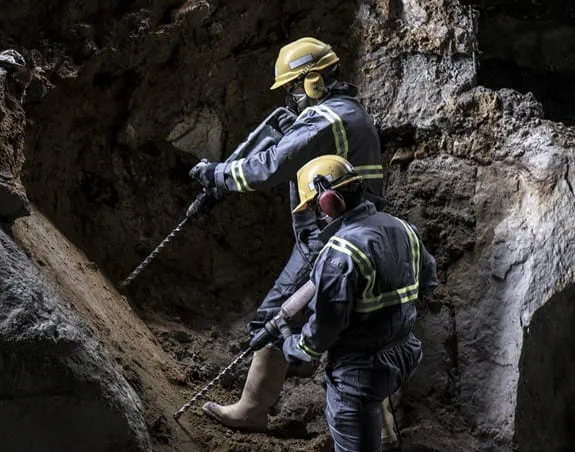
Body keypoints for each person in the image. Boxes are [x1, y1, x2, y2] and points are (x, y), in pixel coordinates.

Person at [190, 37, 391, 434]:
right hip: (351, 233)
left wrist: (219, 175)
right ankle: (383, 433)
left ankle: (251, 409)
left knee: (272, 317)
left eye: (294, 87)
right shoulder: (346, 112)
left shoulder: (327, 119)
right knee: (360, 335)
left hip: (328, 239)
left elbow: (272, 166)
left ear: (314, 81)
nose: (292, 95)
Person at [278, 155, 438, 452]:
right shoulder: (403, 228)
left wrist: (292, 343)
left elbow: (321, 334)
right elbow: (427, 282)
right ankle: (386, 438)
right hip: (403, 354)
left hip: (359, 375)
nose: (315, 215)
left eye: (314, 207)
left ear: (328, 202)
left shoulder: (339, 253)